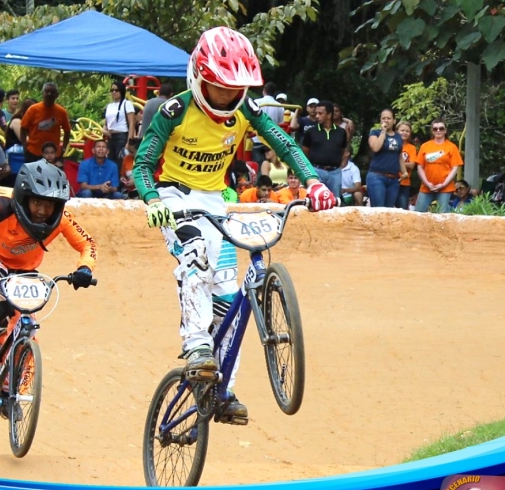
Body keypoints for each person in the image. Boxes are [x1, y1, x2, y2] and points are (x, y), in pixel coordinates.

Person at [132, 27, 336, 423]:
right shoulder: (174, 111)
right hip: (175, 197)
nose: (228, 95)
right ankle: (196, 346)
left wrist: (313, 181)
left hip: (216, 200)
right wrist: (153, 200)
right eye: (219, 86)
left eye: (235, 88)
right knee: (194, 256)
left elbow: (283, 143)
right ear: (198, 76)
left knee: (229, 302)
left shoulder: (245, 109)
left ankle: (222, 391)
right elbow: (142, 165)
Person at [0, 160, 97, 386]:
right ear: (23, 197)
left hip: (25, 271)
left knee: (25, 320)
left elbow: (88, 244)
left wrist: (84, 268)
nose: (42, 211)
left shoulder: (62, 219)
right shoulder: (1, 208)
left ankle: (9, 382)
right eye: (36, 202)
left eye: (49, 205)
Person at [415, 119, 463, 213]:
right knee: (419, 212)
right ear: (432, 131)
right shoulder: (425, 146)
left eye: (441, 128)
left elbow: (455, 168)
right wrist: (427, 183)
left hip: (445, 187)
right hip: (426, 186)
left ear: (445, 130)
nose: (438, 131)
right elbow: (419, 167)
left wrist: (443, 184)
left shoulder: (452, 147)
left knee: (442, 214)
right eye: (435, 129)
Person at [302, 100, 347, 200]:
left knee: (335, 201)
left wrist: (340, 165)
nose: (317, 116)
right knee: (315, 200)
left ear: (329, 115)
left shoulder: (341, 132)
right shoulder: (311, 132)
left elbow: (342, 151)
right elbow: (305, 151)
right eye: (316, 113)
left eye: (320, 113)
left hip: (335, 172)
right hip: (316, 171)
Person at [366, 108, 407, 208]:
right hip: (377, 176)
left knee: (388, 211)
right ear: (380, 120)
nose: (386, 120)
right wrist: (383, 132)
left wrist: (404, 172)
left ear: (394, 120)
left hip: (393, 179)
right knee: (378, 210)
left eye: (389, 118)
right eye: (383, 118)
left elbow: (399, 156)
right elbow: (375, 148)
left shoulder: (398, 137)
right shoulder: (375, 132)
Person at [20, 82, 71, 163]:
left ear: (56, 95)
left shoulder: (61, 111)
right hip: (33, 152)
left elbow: (67, 131)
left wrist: (64, 148)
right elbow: (23, 128)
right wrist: (24, 145)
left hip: (53, 154)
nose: (49, 94)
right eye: (47, 92)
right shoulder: (33, 109)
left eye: (52, 92)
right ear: (43, 93)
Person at [103, 80, 136, 165]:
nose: (114, 92)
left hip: (122, 136)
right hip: (110, 137)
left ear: (121, 91)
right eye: (112, 90)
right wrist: (104, 130)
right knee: (110, 163)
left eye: (116, 90)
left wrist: (129, 142)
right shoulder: (109, 106)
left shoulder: (127, 104)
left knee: (120, 163)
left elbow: (132, 123)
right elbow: (106, 123)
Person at [396, 120, 417, 210]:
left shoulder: (412, 148)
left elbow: (412, 165)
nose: (404, 133)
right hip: (392, 180)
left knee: (403, 208)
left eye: (407, 131)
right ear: (397, 131)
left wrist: (397, 163)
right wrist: (405, 164)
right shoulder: (393, 144)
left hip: (404, 183)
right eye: (402, 130)